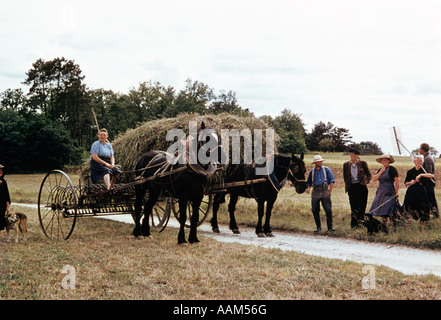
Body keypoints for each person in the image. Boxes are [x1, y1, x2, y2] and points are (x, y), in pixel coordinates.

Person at [306, 155, 336, 233]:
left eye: (321, 161)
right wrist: (308, 189)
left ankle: (330, 227)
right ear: (315, 163)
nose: (320, 163)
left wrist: (330, 191)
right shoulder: (312, 171)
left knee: (328, 210)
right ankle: (318, 228)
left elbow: (332, 180)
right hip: (315, 191)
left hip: (324, 190)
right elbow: (308, 182)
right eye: (318, 161)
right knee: (315, 210)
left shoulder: (326, 169)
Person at [343, 148, 372, 228]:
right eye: (351, 154)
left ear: (357, 155)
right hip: (352, 187)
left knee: (362, 205)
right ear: (349, 155)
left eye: (354, 154)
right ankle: (354, 225)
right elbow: (345, 177)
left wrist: (366, 182)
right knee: (353, 206)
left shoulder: (362, 163)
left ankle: (362, 223)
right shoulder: (346, 165)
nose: (353, 156)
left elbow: (369, 175)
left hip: (361, 186)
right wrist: (348, 186)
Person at [403, 155, 434, 230]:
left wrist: (421, 175)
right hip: (412, 192)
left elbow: (431, 175)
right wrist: (411, 182)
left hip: (421, 191)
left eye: (421, 161)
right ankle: (409, 228)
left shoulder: (424, 170)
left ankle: (422, 228)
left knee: (422, 208)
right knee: (410, 208)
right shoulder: (410, 171)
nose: (420, 162)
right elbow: (406, 183)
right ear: (414, 162)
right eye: (419, 161)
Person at [368, 154, 399, 227]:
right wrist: (381, 171)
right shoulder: (380, 169)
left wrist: (396, 192)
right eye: (383, 160)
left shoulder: (392, 169)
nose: (384, 161)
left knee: (389, 209)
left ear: (389, 161)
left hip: (389, 191)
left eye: (386, 159)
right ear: (381, 161)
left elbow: (397, 181)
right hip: (381, 191)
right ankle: (384, 226)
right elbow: (374, 179)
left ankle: (393, 226)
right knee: (382, 210)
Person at [419, 143, 438, 218]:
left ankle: (436, 216)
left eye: (420, 148)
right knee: (428, 200)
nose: (419, 150)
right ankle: (430, 215)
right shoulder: (426, 157)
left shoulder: (428, 159)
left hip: (429, 182)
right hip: (427, 182)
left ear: (423, 150)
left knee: (431, 200)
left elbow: (430, 173)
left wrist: (421, 175)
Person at [0, 164, 11, 232]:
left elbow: (7, 195)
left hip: (1, 205)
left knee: (0, 220)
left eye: (1, 170)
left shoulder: (4, 181)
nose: (1, 172)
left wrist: (7, 206)